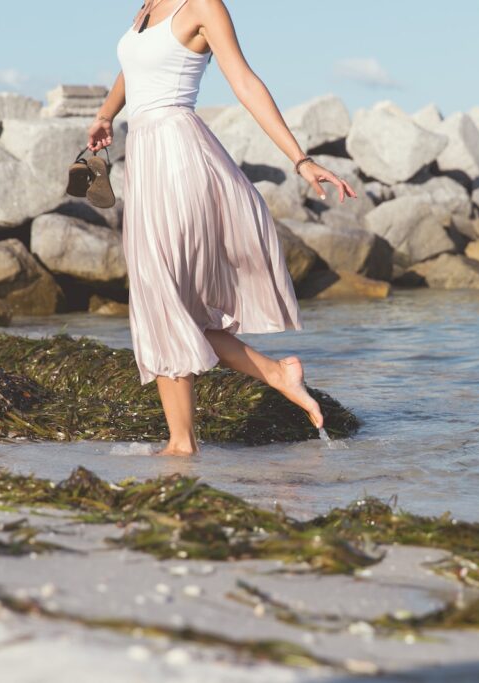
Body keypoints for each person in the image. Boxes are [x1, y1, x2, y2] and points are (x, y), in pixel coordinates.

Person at [88, 0, 356, 456]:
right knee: (163, 302)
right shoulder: (147, 8)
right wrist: (106, 114)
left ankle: (182, 444)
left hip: (179, 157)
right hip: (146, 158)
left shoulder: (203, 6)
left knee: (162, 296)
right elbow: (132, 66)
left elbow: (245, 82)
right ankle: (274, 375)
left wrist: (301, 159)